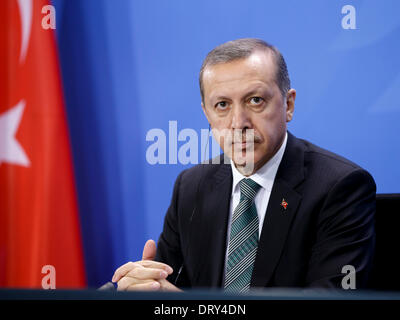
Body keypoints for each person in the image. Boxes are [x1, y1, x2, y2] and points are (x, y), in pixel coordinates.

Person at [112, 38, 376, 292]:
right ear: (207, 113)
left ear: (288, 105)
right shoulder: (191, 188)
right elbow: (169, 289)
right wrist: (146, 286)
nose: (238, 123)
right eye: (222, 105)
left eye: (255, 100)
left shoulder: (340, 187)